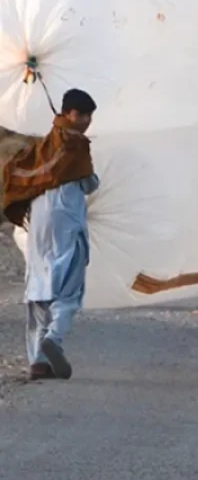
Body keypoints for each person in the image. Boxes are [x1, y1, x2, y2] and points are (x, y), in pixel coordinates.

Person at [2, 89, 99, 381]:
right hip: (66, 218)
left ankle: (38, 361)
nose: (85, 121)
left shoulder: (41, 146)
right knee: (69, 287)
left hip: (38, 219)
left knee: (40, 284)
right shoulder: (75, 144)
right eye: (80, 115)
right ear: (67, 113)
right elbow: (87, 182)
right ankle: (54, 339)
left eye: (89, 116)